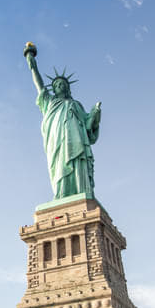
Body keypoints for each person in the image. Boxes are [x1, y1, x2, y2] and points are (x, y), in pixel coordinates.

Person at [24, 42, 102, 200]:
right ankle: (62, 194)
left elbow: (88, 128)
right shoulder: (49, 102)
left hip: (77, 141)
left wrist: (95, 114)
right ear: (53, 89)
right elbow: (39, 85)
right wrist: (32, 65)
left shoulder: (76, 105)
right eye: (57, 85)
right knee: (60, 165)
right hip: (57, 141)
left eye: (63, 84)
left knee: (78, 162)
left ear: (68, 88)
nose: (60, 86)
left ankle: (81, 192)